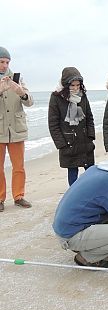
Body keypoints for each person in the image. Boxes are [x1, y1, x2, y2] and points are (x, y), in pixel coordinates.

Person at [48, 67, 95, 186]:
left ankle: (92, 197)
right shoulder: (56, 97)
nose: (75, 88)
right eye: (72, 85)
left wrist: (91, 136)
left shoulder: (82, 96)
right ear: (65, 84)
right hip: (69, 142)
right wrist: (62, 145)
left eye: (78, 85)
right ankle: (74, 198)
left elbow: (89, 117)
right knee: (72, 172)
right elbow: (53, 124)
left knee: (91, 173)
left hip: (85, 141)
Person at [0, 46, 34, 212]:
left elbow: (30, 102)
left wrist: (21, 92)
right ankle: (0, 198)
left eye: (7, 62)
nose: (5, 65)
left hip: (17, 129)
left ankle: (19, 196)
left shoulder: (16, 79)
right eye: (1, 62)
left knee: (18, 166)